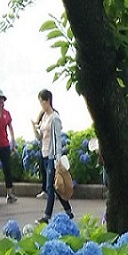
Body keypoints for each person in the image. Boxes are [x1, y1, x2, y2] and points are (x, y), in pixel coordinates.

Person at [36, 89, 73, 222]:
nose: (41, 105)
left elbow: (58, 139)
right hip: (44, 153)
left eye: (42, 101)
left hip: (52, 156)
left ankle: (47, 216)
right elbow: (41, 136)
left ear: (47, 101)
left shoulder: (54, 118)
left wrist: (58, 157)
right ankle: (68, 211)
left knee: (50, 187)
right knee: (55, 186)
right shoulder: (44, 117)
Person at [0, 90, 17, 203]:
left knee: (7, 169)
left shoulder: (7, 113)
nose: (2, 101)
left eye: (3, 99)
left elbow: (10, 127)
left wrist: (13, 141)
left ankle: (9, 193)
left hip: (5, 144)